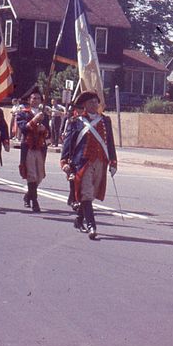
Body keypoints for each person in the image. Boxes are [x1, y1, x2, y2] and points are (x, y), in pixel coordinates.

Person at [61, 91, 117, 240]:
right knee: (86, 192)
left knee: (91, 194)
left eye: (96, 102)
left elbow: (110, 142)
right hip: (83, 162)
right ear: (84, 105)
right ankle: (92, 225)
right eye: (90, 102)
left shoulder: (106, 121)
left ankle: (79, 220)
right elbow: (68, 143)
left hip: (100, 162)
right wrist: (64, 161)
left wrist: (113, 161)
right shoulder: (76, 121)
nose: (94, 104)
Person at [16, 87, 50, 212]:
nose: (35, 100)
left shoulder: (44, 115)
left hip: (40, 147)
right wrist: (34, 120)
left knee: (40, 175)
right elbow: (23, 128)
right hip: (28, 146)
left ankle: (28, 195)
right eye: (33, 98)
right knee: (31, 175)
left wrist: (44, 130)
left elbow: (49, 133)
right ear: (29, 100)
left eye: (38, 98)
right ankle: (35, 201)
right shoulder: (23, 113)